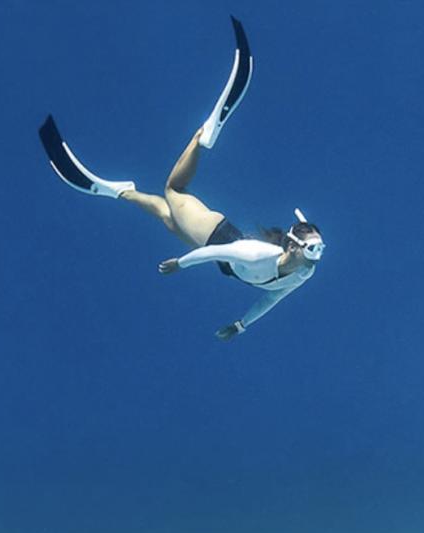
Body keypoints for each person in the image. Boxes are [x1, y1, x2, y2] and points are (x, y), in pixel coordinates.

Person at [37, 17, 324, 340]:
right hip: (217, 237)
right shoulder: (258, 254)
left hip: (225, 262)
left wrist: (242, 325)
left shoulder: (303, 274)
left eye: (319, 248)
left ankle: (121, 193)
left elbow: (274, 296)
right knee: (173, 189)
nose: (317, 254)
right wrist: (181, 264)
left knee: (167, 218)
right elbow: (213, 253)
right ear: (293, 244)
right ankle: (203, 137)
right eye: (313, 247)